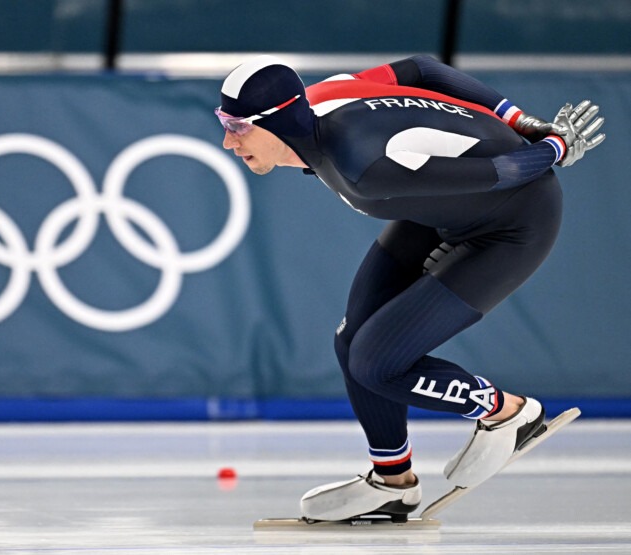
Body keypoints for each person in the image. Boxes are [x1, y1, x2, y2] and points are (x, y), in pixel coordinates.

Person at [215, 54, 605, 521]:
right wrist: (520, 119)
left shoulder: (365, 165)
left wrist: (555, 146)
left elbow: (504, 172)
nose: (227, 141)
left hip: (516, 223)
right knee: (350, 341)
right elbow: (421, 69)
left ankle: (507, 412)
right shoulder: (324, 96)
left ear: (277, 121)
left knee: (377, 364)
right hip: (445, 210)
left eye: (236, 126)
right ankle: (391, 482)